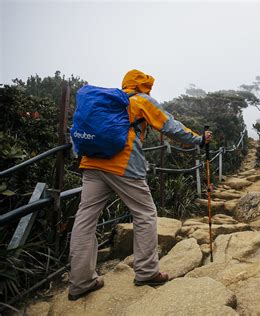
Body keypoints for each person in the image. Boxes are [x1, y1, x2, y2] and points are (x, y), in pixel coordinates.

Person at [68, 69, 211, 301]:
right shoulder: (141, 100)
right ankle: (146, 272)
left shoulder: (107, 102)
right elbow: (170, 126)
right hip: (122, 164)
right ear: (143, 86)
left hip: (91, 162)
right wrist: (199, 140)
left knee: (85, 219)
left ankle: (80, 282)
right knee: (144, 213)